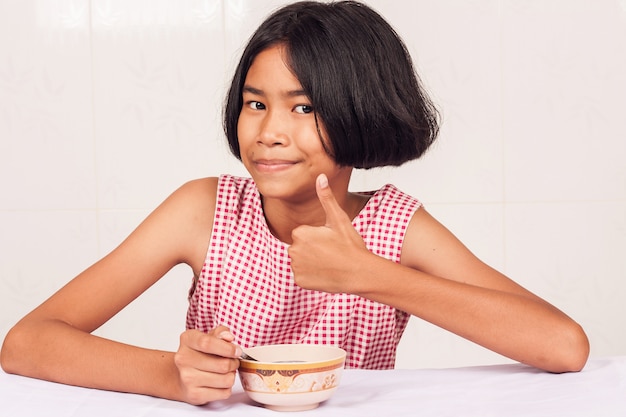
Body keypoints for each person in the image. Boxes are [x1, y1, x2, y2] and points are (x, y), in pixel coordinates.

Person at [1, 0, 589, 406]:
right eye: (256, 104)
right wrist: (171, 375)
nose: (270, 131)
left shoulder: (394, 227)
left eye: (303, 108)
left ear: (361, 112)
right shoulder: (203, 210)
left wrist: (371, 276)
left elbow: (563, 346)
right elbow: (27, 343)